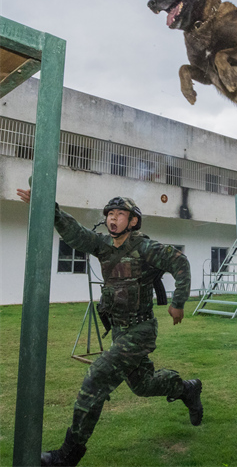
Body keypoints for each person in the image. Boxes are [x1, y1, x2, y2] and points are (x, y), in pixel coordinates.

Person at [16, 190, 203, 467]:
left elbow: (180, 262)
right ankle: (187, 388)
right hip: (119, 331)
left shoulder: (145, 248)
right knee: (143, 385)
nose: (113, 219)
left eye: (120, 215)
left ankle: (69, 454)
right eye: (110, 215)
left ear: (133, 221)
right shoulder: (103, 246)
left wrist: (178, 302)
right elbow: (76, 234)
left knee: (97, 376)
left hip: (141, 330)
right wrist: (50, 209)